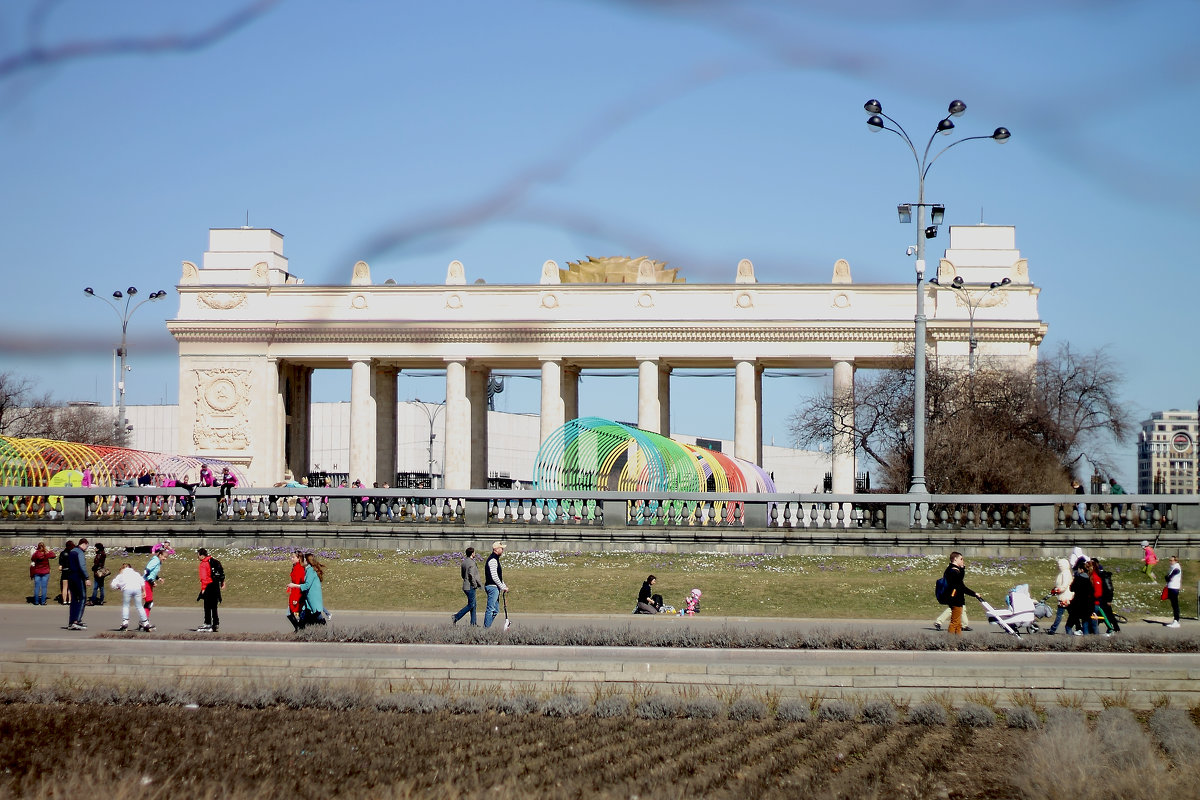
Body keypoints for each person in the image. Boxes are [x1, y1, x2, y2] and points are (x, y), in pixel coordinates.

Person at [942, 552, 981, 635]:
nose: (963, 561)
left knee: (958, 623)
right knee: (955, 622)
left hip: (957, 599)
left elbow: (961, 584)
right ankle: (950, 641)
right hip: (955, 599)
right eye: (961, 559)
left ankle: (958, 640)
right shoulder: (953, 571)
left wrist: (974, 593)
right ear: (955, 559)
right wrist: (974, 594)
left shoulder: (953, 570)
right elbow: (960, 585)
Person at [287, 553, 328, 627]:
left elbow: (307, 585)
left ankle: (323, 629)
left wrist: (294, 586)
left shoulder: (310, 570)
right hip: (309, 597)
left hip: (312, 597)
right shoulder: (307, 570)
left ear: (308, 561)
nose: (303, 561)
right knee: (311, 614)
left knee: (316, 614)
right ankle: (307, 630)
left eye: (304, 559)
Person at [110, 563, 153, 632]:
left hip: (127, 589)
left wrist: (118, 587)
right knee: (139, 606)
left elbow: (113, 585)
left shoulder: (121, 575)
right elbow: (142, 582)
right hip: (137, 589)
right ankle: (145, 623)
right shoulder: (136, 573)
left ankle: (125, 622)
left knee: (126, 606)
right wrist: (144, 591)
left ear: (123, 568)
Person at [195, 548, 224, 632]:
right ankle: (215, 623)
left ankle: (207, 623)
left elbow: (204, 578)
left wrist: (203, 588)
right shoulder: (214, 561)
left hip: (208, 585)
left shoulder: (204, 564)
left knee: (207, 606)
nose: (198, 557)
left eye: (198, 555)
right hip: (215, 585)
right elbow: (221, 572)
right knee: (214, 606)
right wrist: (222, 582)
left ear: (202, 555)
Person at [452, 547, 482, 626]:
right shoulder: (472, 563)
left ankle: (473, 623)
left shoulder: (464, 562)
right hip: (470, 586)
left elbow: (462, 574)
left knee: (473, 605)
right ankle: (456, 617)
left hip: (465, 585)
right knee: (471, 605)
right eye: (474, 553)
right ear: (472, 554)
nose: (475, 554)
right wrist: (475, 584)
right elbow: (471, 575)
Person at [1066, 558, 1095, 635]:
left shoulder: (1078, 579)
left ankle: (1070, 643)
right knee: (1085, 625)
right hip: (1087, 607)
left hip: (1077, 606)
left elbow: (1071, 589)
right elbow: (1092, 595)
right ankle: (1085, 643)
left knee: (1068, 626)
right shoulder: (1089, 580)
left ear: (1081, 570)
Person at [1044, 557, 1074, 635]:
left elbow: (1064, 585)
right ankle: (1074, 628)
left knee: (1060, 615)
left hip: (1065, 597)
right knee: (1071, 614)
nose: (1059, 566)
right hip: (1063, 596)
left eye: (1061, 565)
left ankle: (1053, 629)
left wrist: (1057, 590)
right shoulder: (1063, 573)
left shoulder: (1066, 573)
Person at [1090, 558, 1119, 635]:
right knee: (1100, 614)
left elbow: (1109, 588)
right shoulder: (1096, 575)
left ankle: (1114, 629)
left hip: (1104, 599)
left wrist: (1109, 600)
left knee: (1108, 614)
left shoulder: (1103, 575)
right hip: (1101, 598)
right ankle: (1093, 630)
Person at [67, 538, 90, 630]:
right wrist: (87, 578)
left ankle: (71, 621)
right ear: (83, 544)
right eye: (87, 546)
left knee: (74, 600)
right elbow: (82, 566)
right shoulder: (79, 552)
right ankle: (77, 621)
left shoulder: (72, 551)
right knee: (82, 597)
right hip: (78, 577)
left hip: (70, 577)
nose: (86, 549)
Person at [483, 541, 508, 629]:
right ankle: (486, 629)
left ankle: (487, 626)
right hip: (492, 587)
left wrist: (503, 586)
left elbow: (499, 576)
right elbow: (494, 576)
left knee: (495, 610)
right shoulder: (493, 560)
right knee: (490, 609)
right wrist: (502, 587)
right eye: (501, 548)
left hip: (495, 587)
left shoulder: (495, 559)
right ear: (496, 549)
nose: (503, 550)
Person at [142, 544, 167, 620]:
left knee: (149, 602)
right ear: (160, 555)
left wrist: (158, 578)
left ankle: (144, 620)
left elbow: (153, 573)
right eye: (164, 557)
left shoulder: (158, 561)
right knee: (149, 602)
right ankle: (144, 621)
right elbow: (147, 571)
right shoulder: (155, 560)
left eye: (166, 557)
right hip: (146, 582)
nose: (165, 559)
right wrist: (151, 581)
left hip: (148, 582)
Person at [285, 551, 306, 632]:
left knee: (292, 613)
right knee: (295, 613)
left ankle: (299, 629)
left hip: (297, 594)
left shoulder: (298, 568)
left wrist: (295, 599)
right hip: (295, 593)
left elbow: (297, 584)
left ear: (299, 558)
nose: (292, 559)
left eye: (293, 557)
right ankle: (299, 629)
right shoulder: (295, 567)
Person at [1165, 556, 1182, 629]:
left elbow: (1168, 577)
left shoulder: (1176, 568)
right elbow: (1167, 577)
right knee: (1173, 604)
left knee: (1175, 604)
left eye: (1171, 560)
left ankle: (1176, 621)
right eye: (1169, 560)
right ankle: (1175, 620)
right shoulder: (1172, 568)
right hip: (1171, 587)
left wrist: (1168, 577)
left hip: (1174, 588)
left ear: (1176, 561)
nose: (1170, 562)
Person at [58, 541, 74, 605]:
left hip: (64, 571)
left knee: (64, 587)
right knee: (70, 588)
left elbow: (60, 564)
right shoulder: (73, 553)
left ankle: (64, 601)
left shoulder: (62, 553)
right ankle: (70, 600)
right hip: (71, 571)